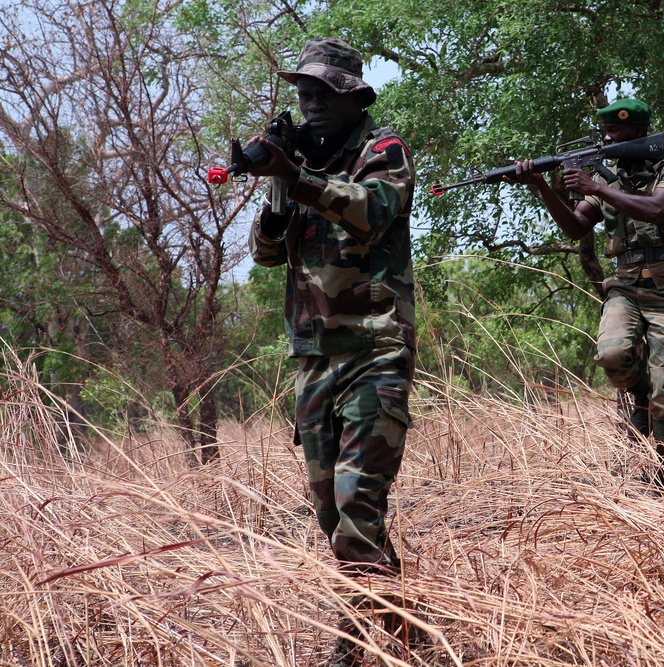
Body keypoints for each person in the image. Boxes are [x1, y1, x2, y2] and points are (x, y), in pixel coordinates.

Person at [246, 37, 417, 664]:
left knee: (356, 503)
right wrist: (277, 188)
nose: (309, 104)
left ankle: (350, 646)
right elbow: (266, 255)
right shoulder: (300, 161)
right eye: (303, 94)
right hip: (314, 355)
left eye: (321, 93)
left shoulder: (382, 149)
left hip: (376, 349)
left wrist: (299, 176)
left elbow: (373, 212)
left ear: (351, 95)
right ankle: (407, 634)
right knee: (331, 514)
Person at [508, 99, 664, 488]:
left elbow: (657, 209)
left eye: (616, 132)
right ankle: (638, 394)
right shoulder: (609, 183)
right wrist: (542, 186)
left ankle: (662, 477)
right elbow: (577, 227)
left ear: (640, 132)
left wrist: (595, 185)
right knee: (612, 355)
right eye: (605, 132)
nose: (608, 137)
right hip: (624, 286)